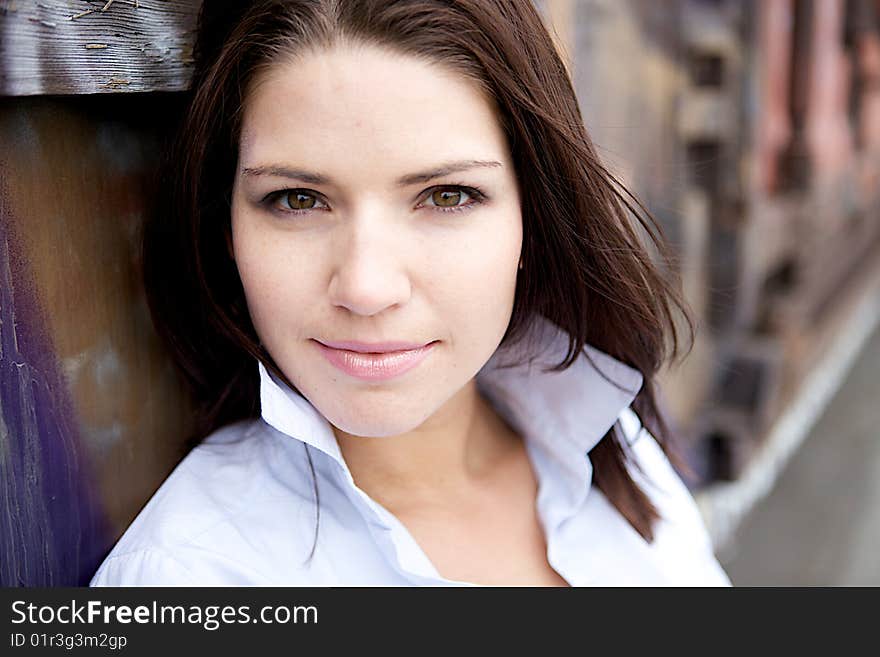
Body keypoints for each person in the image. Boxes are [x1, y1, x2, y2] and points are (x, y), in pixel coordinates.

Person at [90, 0, 731, 586]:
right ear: (225, 227)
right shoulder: (193, 575)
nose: (367, 288)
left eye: (446, 196)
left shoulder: (608, 443)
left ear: (531, 219)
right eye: (297, 200)